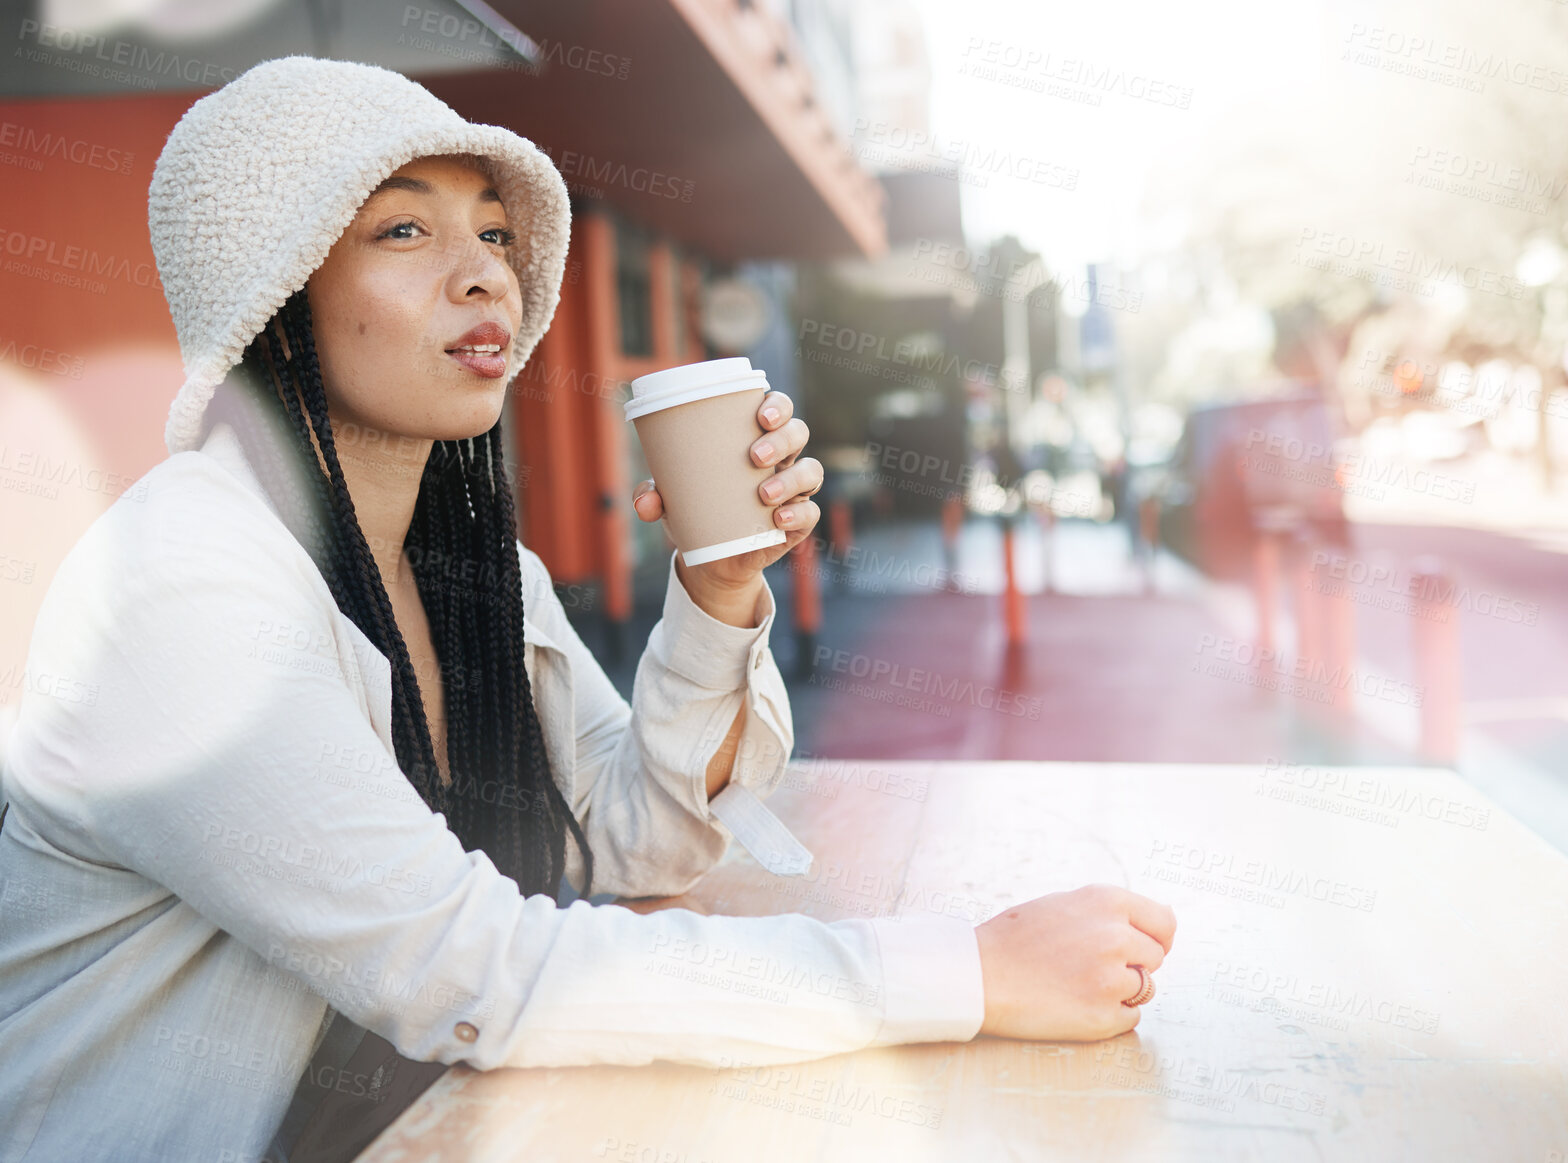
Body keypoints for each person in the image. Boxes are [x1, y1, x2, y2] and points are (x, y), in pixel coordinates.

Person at [0, 56, 1176, 1162]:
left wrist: (717, 588)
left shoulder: (467, 564)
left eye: (495, 231)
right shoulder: (185, 584)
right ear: (273, 293)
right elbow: (477, 972)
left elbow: (631, 839)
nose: (482, 273)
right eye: (403, 227)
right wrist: (962, 974)